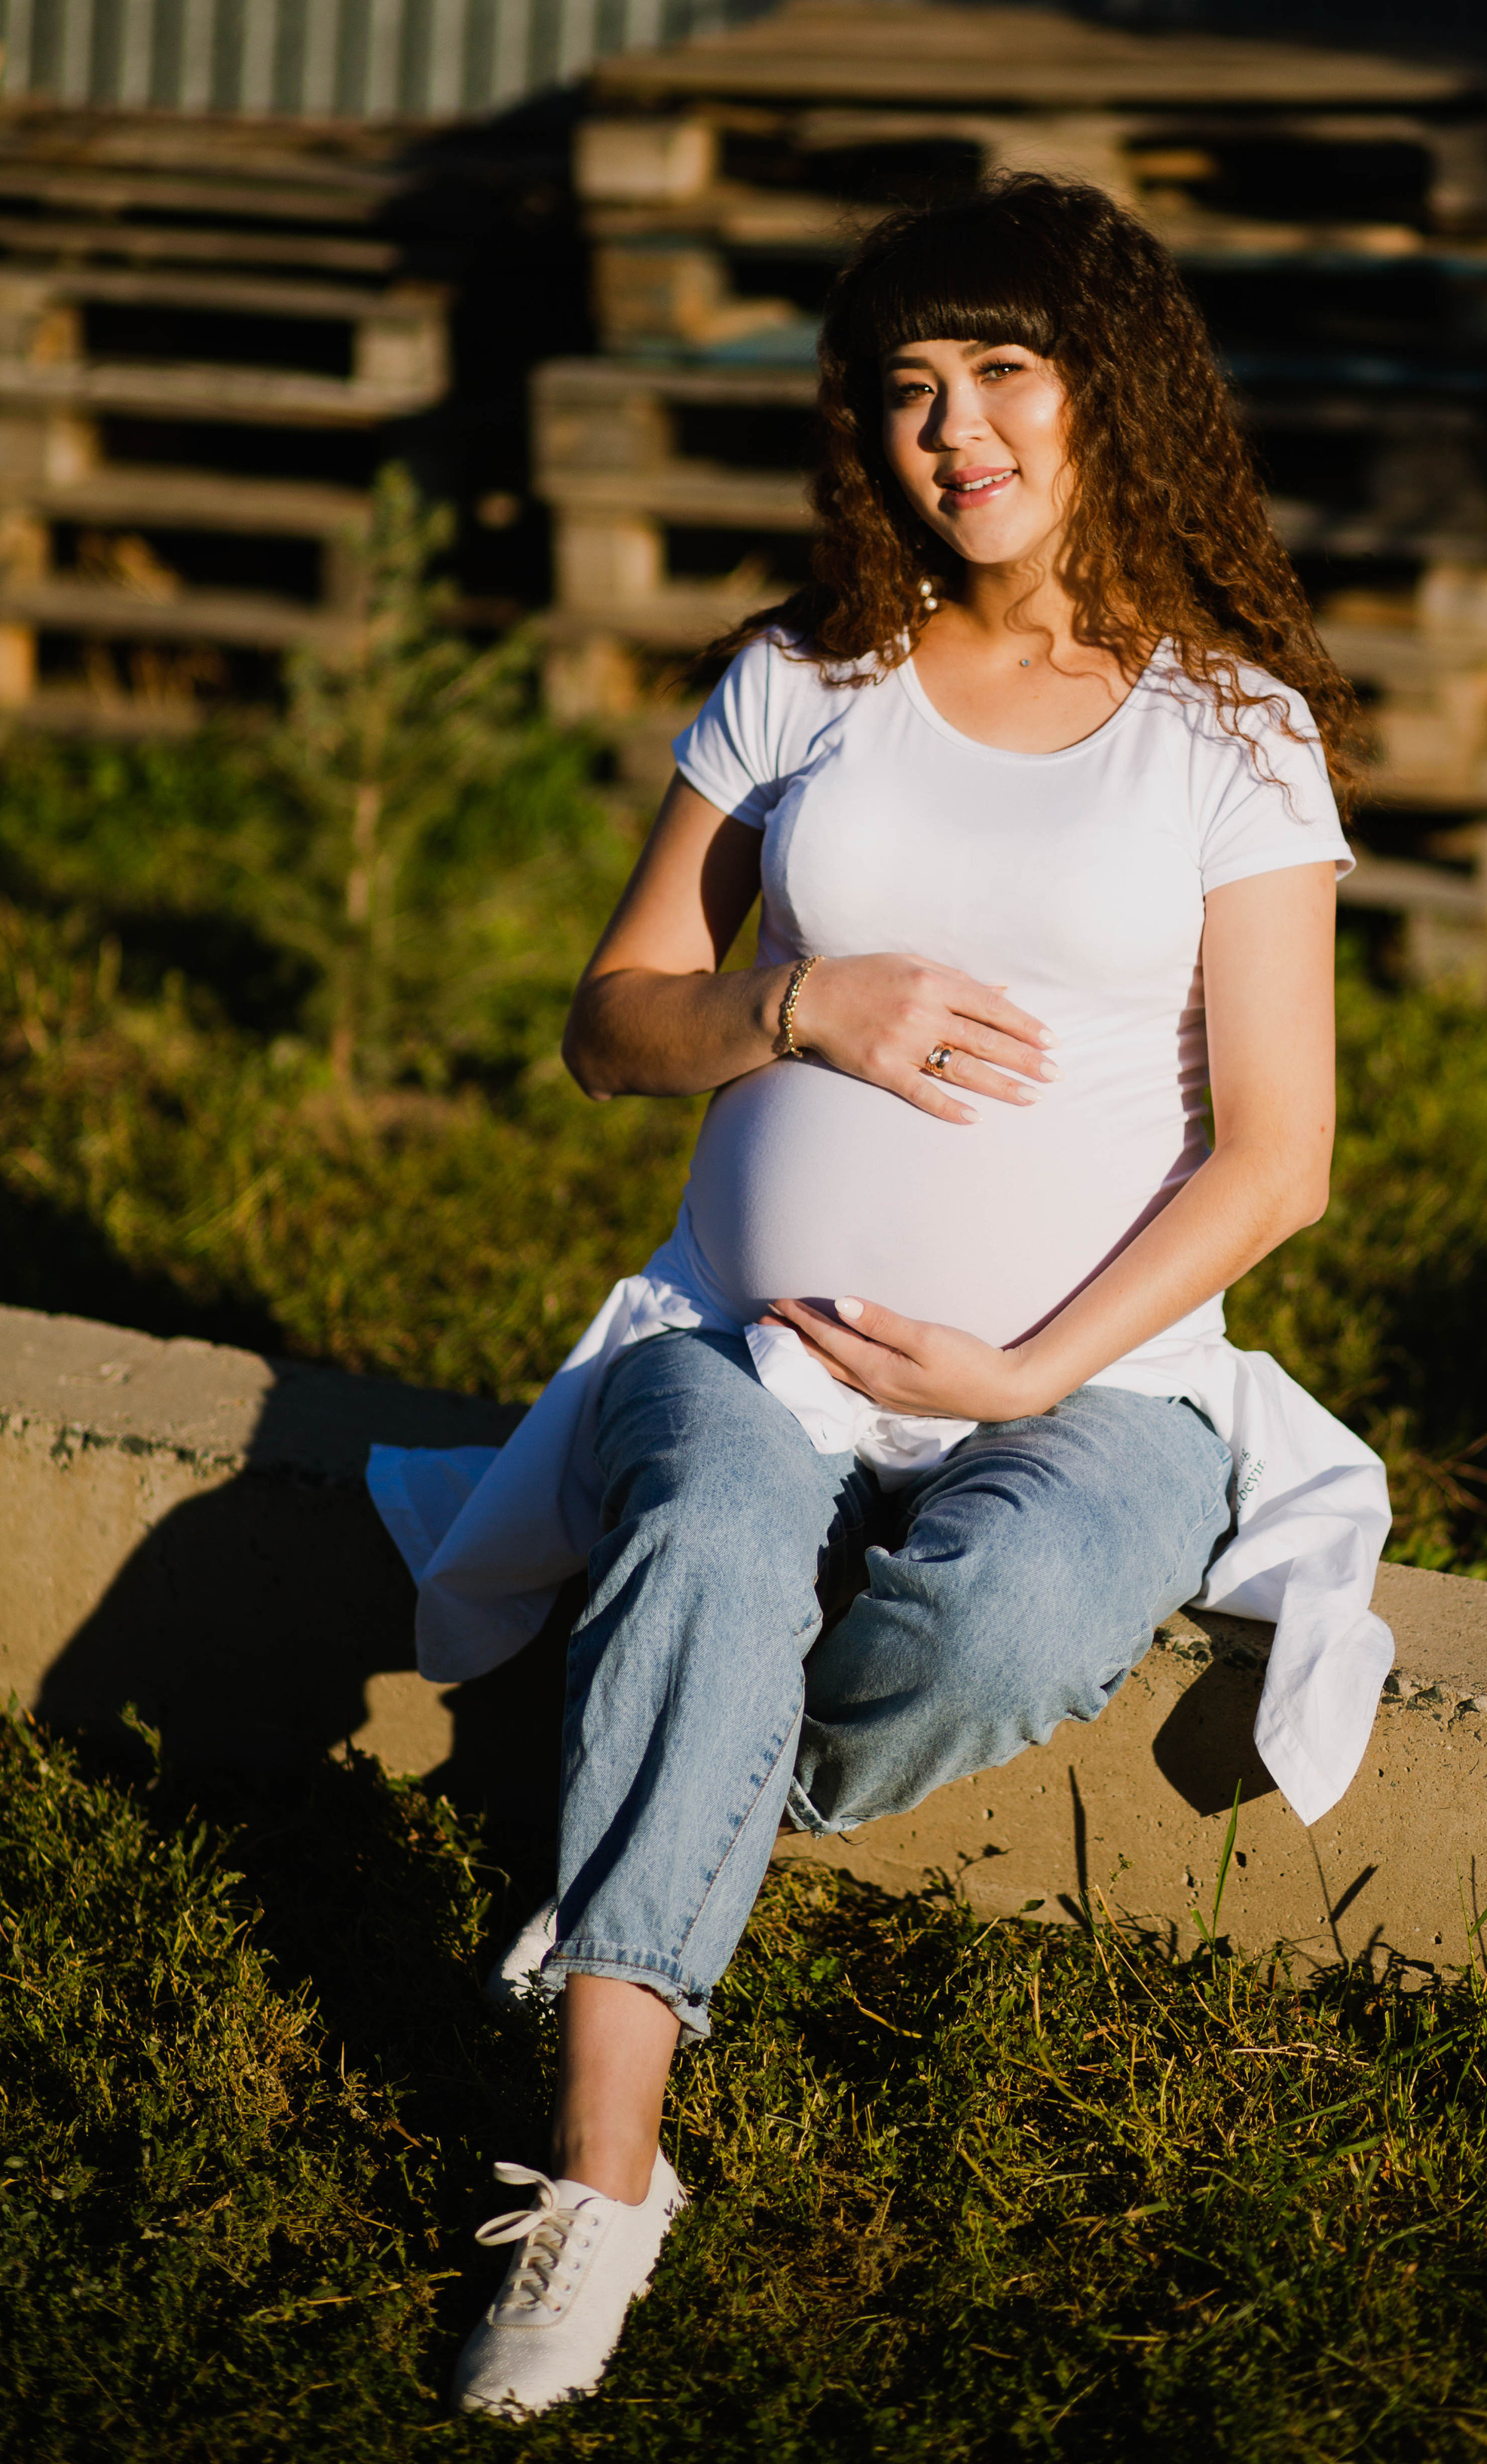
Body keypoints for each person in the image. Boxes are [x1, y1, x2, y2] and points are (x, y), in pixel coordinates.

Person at [369, 176, 1393, 2421]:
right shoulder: (801, 676)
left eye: (1007, 375)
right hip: (750, 1348)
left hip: (1098, 1383)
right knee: (724, 1526)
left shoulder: (1229, 733)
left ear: (1109, 392)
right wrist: (788, 1008)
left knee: (1010, 1626)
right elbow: (610, 1017)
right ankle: (601, 2186)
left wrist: (1030, 1364)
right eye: (911, 391)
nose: (961, 434)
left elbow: (1279, 1163)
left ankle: (687, 1777)